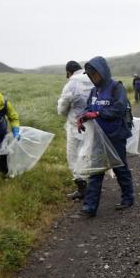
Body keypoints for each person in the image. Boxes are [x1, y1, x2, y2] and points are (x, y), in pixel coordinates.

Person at [76, 56, 135, 217]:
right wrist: (82, 118)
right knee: (96, 171)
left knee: (120, 168)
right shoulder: (94, 91)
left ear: (103, 72)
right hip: (98, 137)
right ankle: (89, 207)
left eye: (94, 74)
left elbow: (120, 108)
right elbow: (88, 107)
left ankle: (128, 198)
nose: (93, 77)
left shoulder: (116, 87)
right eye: (90, 75)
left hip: (115, 136)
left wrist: (99, 113)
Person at [57, 60, 94, 199]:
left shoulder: (71, 84)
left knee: (73, 155)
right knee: (88, 153)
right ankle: (93, 183)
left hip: (75, 125)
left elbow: (62, 108)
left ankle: (82, 188)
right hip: (93, 123)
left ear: (68, 72)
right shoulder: (91, 79)